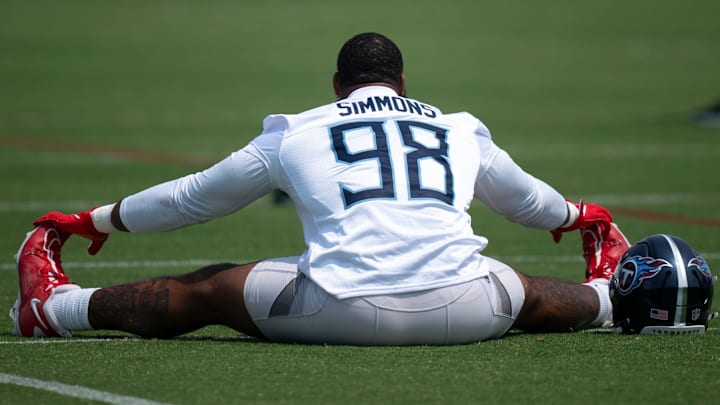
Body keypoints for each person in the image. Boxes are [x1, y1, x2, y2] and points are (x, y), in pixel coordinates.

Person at [11, 32, 632, 345]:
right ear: (403, 81)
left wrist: (96, 220)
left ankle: (55, 309)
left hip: (341, 309)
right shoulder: (457, 127)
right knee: (519, 288)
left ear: (338, 84)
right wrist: (581, 216)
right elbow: (527, 203)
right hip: (468, 312)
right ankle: (610, 300)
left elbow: (193, 198)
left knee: (208, 288)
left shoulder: (297, 131)